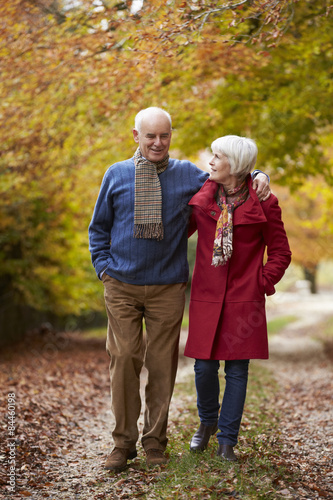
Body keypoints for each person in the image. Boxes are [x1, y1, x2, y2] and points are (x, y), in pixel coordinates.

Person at [88, 108, 271, 471]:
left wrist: (260, 174)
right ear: (135, 136)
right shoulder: (117, 174)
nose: (158, 143)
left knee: (161, 365)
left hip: (167, 286)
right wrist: (104, 269)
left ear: (171, 136)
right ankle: (122, 444)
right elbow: (99, 229)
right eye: (150, 136)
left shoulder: (188, 174)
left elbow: (232, 176)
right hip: (121, 284)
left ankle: (155, 440)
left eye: (164, 136)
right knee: (124, 358)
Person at [184, 135, 291, 461]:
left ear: (237, 165)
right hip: (206, 296)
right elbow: (177, 234)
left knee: (237, 370)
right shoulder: (202, 197)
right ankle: (207, 422)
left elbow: (281, 252)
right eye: (212, 155)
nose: (211, 162)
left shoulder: (265, 202)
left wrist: (260, 283)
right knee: (203, 368)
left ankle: (227, 441)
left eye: (218, 157)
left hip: (244, 299)